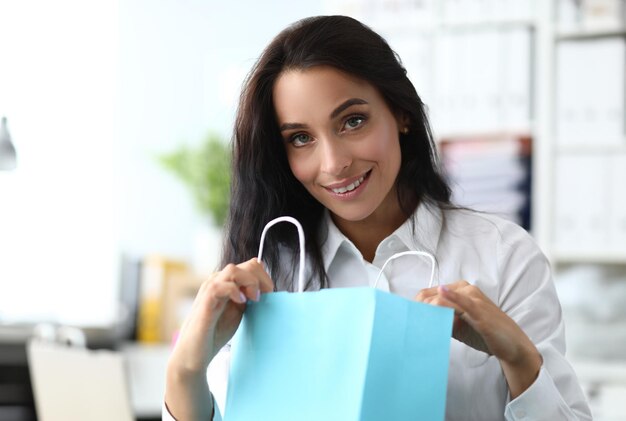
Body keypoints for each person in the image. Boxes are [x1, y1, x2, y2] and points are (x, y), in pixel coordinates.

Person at [164, 15, 592, 420]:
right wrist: (185, 369)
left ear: (401, 113)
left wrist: (517, 355)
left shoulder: (503, 257)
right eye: (300, 138)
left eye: (353, 121)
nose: (334, 163)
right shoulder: (265, 274)